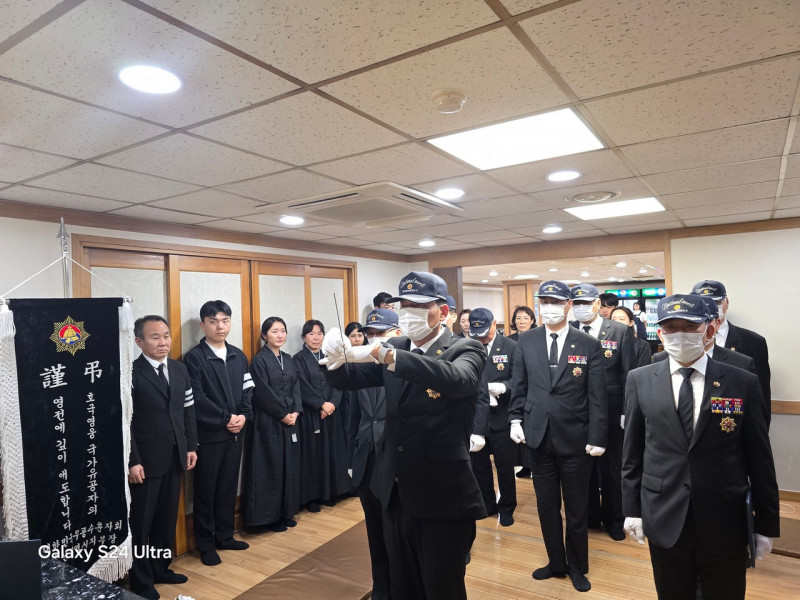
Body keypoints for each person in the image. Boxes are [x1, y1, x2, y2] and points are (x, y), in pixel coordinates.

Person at [322, 271, 486, 600]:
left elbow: (458, 379)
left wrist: (388, 356)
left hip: (441, 494)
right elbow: (349, 380)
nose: (409, 313)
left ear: (442, 311)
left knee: (442, 587)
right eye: (405, 306)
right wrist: (336, 360)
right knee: (402, 584)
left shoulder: (465, 348)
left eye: (419, 306)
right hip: (395, 491)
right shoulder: (395, 345)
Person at [622, 294, 779, 600]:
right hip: (663, 512)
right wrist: (631, 509)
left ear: (709, 329)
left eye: (689, 327)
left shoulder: (741, 381)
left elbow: (760, 457)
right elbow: (632, 453)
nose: (679, 335)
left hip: (724, 516)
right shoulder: (640, 380)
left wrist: (766, 522)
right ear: (660, 333)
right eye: (671, 328)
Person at [508, 280, 607, 593]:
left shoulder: (587, 343)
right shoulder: (526, 340)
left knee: (576, 508)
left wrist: (598, 436)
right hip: (538, 436)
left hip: (576, 438)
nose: (549, 307)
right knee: (546, 505)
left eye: (555, 302)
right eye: (544, 302)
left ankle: (577, 565)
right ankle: (556, 562)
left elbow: (597, 396)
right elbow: (519, 384)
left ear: (568, 305)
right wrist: (514, 418)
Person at [128, 316, 197, 600]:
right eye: (155, 337)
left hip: (175, 455)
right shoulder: (131, 373)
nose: (163, 342)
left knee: (167, 518)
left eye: (166, 336)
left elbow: (188, 410)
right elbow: (124, 422)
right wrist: (132, 460)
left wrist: (190, 446)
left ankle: (160, 568)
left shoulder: (179, 369)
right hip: (146, 460)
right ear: (139, 341)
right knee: (142, 523)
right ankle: (141, 581)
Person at [183, 300, 253, 567]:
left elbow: (248, 389)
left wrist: (243, 415)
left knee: (227, 487)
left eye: (224, 321)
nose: (220, 326)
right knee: (206, 491)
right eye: (213, 322)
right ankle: (206, 544)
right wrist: (226, 418)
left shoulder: (238, 355)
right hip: (210, 435)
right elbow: (197, 398)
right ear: (203, 325)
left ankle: (225, 536)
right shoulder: (195, 358)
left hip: (236, 433)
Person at [570, 283, 635, 541]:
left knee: (611, 469)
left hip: (611, 411)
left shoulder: (619, 331)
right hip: (577, 411)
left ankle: (615, 519)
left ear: (597, 304)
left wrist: (626, 411)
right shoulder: (569, 330)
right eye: (576, 303)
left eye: (586, 303)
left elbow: (628, 375)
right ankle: (589, 516)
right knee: (581, 467)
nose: (581, 308)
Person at [348, 308, 401, 600]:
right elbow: (353, 420)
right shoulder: (361, 369)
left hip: (395, 462)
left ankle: (402, 588)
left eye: (381, 333)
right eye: (370, 333)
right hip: (366, 459)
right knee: (375, 532)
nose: (374, 338)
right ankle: (381, 590)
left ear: (397, 333)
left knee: (397, 532)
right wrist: (350, 460)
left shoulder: (407, 367)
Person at [242, 317, 302, 532]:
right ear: (264, 335)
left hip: (290, 420)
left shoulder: (288, 358)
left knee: (288, 466)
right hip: (268, 422)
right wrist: (282, 414)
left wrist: (296, 411)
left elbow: (296, 387)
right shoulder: (259, 361)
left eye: (283, 330)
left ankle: (286, 512)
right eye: (274, 331)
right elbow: (262, 392)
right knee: (270, 467)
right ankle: (268, 519)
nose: (280, 335)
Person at [691, 280, 771, 425]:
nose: (709, 307)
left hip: (733, 425)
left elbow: (761, 398)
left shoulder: (753, 342)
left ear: (726, 302)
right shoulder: (683, 343)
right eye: (702, 303)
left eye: (715, 302)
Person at [294, 319, 351, 512]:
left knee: (333, 452)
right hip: (312, 414)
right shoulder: (298, 359)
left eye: (319, 333)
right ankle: (313, 497)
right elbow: (302, 385)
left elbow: (339, 381)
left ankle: (333, 491)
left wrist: (332, 403)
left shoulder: (330, 356)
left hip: (332, 413)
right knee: (313, 455)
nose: (316, 337)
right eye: (311, 334)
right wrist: (321, 404)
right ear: (304, 337)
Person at [467, 308, 517, 527]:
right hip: (476, 418)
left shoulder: (510, 347)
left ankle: (506, 508)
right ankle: (486, 504)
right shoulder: (468, 345)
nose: (481, 337)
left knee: (505, 467)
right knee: (479, 466)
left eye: (484, 331)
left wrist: (504, 387)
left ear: (494, 324)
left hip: (501, 417)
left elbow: (519, 379)